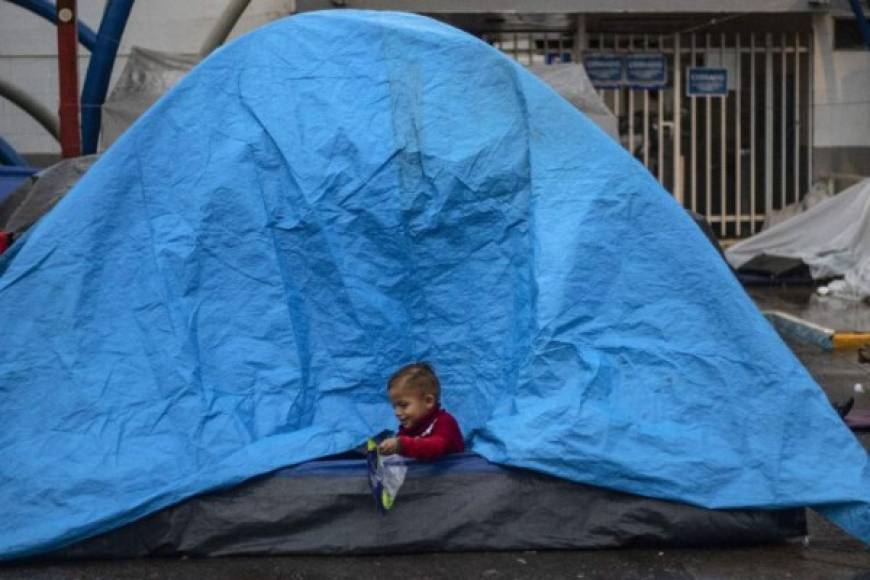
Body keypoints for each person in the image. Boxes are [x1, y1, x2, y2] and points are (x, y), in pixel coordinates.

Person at [378, 362, 464, 461]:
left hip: (458, 474)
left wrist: (401, 445)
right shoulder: (409, 429)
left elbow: (436, 447)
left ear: (428, 401)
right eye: (394, 407)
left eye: (403, 405)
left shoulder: (445, 422)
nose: (397, 412)